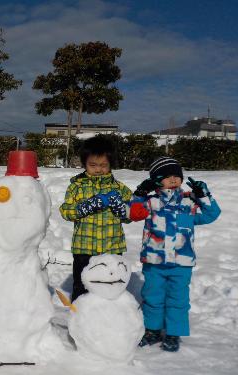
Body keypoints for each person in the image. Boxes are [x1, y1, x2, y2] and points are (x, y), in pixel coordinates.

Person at [130, 156, 221, 352]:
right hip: (154, 261)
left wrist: (203, 194)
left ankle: (173, 333)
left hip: (182, 262)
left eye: (176, 175)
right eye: (166, 176)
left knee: (178, 299)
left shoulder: (189, 201)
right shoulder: (151, 202)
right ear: (156, 180)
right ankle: (152, 330)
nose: (173, 179)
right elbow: (132, 213)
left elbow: (211, 214)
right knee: (153, 296)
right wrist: (139, 193)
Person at [59, 136, 132, 302]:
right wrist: (86, 206)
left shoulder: (120, 188)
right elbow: (66, 212)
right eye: (93, 165)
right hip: (84, 247)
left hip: (112, 246)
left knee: (111, 284)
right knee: (82, 284)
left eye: (103, 165)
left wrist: (121, 208)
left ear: (110, 164)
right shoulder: (76, 186)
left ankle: (109, 317)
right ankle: (80, 318)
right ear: (85, 163)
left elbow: (131, 215)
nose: (98, 169)